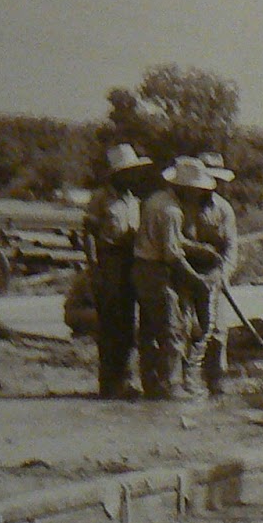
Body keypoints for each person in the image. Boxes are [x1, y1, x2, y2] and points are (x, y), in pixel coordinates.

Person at [132, 157, 217, 402]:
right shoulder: (171, 211)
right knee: (173, 329)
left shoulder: (156, 200)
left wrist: (200, 249)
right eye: (198, 190)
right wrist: (196, 280)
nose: (200, 195)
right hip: (155, 271)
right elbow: (173, 255)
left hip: (143, 268)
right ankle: (171, 384)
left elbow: (173, 240)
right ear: (187, 189)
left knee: (150, 329)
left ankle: (152, 383)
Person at [82, 144, 154, 398]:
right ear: (116, 174)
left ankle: (125, 378)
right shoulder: (101, 198)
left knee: (128, 321)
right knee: (110, 322)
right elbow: (88, 234)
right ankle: (109, 382)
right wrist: (94, 268)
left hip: (130, 260)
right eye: (127, 172)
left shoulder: (134, 200)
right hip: (109, 260)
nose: (132, 176)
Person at [184, 152, 239, 399]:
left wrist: (223, 275)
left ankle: (216, 382)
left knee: (217, 332)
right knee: (186, 329)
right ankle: (185, 382)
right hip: (184, 273)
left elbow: (230, 247)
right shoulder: (182, 207)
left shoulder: (224, 209)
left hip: (214, 275)